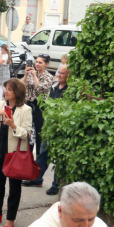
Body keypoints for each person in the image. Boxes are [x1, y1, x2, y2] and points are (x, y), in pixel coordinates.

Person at [0, 78, 32, 227]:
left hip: (15, 154)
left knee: (14, 187)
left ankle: (10, 217)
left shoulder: (26, 110)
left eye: (9, 90)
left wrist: (13, 125)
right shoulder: (1, 105)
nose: (6, 92)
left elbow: (27, 133)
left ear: (17, 93)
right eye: (6, 89)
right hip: (0, 150)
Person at [32, 64, 69, 194]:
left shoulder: (70, 91)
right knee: (43, 152)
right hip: (50, 126)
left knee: (59, 158)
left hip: (62, 127)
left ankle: (56, 185)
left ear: (69, 75)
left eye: (63, 73)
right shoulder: (55, 87)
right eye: (59, 72)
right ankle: (36, 178)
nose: (59, 75)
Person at [23, 54, 53, 171]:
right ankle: (27, 164)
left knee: (40, 136)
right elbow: (21, 85)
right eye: (36, 62)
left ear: (46, 64)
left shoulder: (48, 76)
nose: (37, 64)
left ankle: (38, 167)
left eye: (40, 62)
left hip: (41, 107)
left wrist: (35, 75)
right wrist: (26, 75)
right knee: (28, 134)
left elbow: (39, 87)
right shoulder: (30, 73)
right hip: (30, 105)